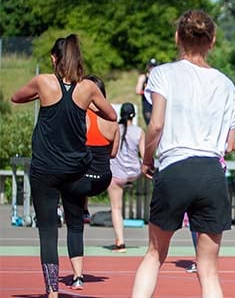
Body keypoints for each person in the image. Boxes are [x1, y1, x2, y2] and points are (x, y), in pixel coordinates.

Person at [131, 10, 235, 298]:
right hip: (211, 173)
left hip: (176, 168)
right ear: (212, 40)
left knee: (154, 255)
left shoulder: (163, 74)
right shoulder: (226, 84)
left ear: (177, 36)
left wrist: (147, 159)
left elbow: (155, 125)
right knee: (208, 270)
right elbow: (230, 143)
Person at [11, 34, 117, 298]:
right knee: (74, 222)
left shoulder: (43, 82)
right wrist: (88, 104)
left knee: (48, 231)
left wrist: (39, 96)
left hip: (45, 170)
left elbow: (16, 97)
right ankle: (78, 270)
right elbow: (112, 115)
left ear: (53, 58)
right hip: (75, 171)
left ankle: (52, 291)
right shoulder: (87, 88)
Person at [63, 75, 119, 289]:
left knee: (75, 227)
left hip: (80, 181)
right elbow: (113, 154)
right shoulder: (112, 122)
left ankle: (77, 277)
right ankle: (84, 206)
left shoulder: (76, 118)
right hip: (103, 179)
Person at [107, 102, 145, 252]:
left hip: (117, 176)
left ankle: (120, 243)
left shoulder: (114, 129)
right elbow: (143, 154)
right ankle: (129, 184)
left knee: (116, 208)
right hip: (134, 173)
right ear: (133, 115)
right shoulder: (139, 131)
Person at [136, 58, 158, 126]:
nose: (152, 68)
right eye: (151, 66)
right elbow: (137, 91)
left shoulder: (158, 77)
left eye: (154, 66)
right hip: (147, 103)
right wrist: (148, 92)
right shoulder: (143, 77)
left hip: (156, 103)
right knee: (149, 123)